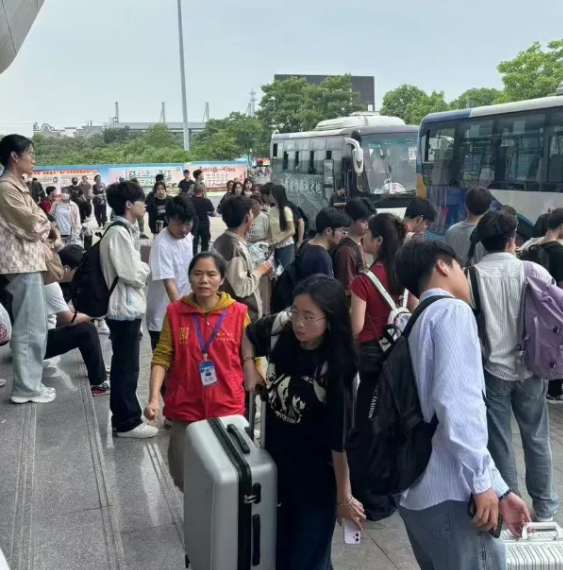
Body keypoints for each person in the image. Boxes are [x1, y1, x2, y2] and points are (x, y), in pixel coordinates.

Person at [393, 239, 531, 569]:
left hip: (419, 492)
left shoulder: (416, 319)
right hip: (453, 493)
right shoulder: (452, 312)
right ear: (443, 266)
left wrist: (500, 489)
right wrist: (482, 483)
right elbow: (457, 405)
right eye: (461, 267)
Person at [248, 275, 366, 569]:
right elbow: (249, 334)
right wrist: (250, 366)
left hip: (315, 481)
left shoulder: (337, 368)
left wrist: (344, 497)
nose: (299, 323)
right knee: (281, 553)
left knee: (307, 558)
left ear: (330, 318)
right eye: (296, 312)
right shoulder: (282, 328)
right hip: (275, 467)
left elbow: (339, 442)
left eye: (309, 317)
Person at [146, 251, 261, 491]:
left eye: (211, 274)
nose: (204, 280)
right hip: (186, 407)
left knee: (227, 476)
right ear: (189, 277)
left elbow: (252, 356)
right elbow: (162, 356)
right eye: (197, 274)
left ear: (222, 279)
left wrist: (258, 384)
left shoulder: (238, 313)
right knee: (182, 474)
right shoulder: (175, 312)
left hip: (227, 406)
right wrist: (154, 398)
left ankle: (218, 513)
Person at [472, 210, 559, 523]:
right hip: (532, 367)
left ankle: (512, 506)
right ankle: (545, 507)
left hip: (492, 369)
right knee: (536, 437)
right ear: (512, 240)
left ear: (483, 242)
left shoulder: (471, 276)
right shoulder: (534, 271)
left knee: (499, 442)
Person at [349, 213, 408, 520]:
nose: (364, 238)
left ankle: (371, 496)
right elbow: (414, 314)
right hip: (400, 361)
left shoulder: (363, 282)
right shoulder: (405, 275)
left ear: (379, 241)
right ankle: (394, 488)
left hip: (373, 361)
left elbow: (356, 327)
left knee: (368, 423)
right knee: (394, 422)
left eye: (368, 234)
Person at [0, 136, 55, 404]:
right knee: (29, 327)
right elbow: (33, 225)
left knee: (35, 325)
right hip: (21, 263)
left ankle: (31, 383)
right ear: (14, 157)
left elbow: (39, 218)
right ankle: (26, 388)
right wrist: (46, 223)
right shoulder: (6, 188)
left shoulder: (17, 186)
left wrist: (43, 221)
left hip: (28, 262)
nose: (33, 159)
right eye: (30, 154)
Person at [101, 180, 158, 438]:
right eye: (140, 201)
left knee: (126, 364)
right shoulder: (118, 233)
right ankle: (127, 422)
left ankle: (124, 418)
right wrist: (146, 267)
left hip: (127, 307)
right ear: (128, 204)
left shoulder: (125, 231)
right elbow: (132, 273)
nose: (144, 205)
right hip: (122, 309)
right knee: (126, 367)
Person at [526, 207, 563, 405]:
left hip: (536, 303)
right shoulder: (559, 250)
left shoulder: (533, 247)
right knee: (560, 346)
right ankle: (555, 391)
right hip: (556, 305)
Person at [44, 245, 110, 395]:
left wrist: (90, 311)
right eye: (79, 271)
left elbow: (65, 310)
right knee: (87, 330)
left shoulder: (47, 278)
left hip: (30, 340)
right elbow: (71, 319)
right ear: (66, 268)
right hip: (38, 346)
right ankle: (99, 383)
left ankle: (95, 361)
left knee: (84, 318)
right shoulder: (51, 285)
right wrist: (97, 313)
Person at [146, 195, 195, 350]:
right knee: (165, 361)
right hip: (163, 318)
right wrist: (181, 315)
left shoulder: (188, 237)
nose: (184, 229)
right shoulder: (162, 244)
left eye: (188, 223)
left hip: (185, 311)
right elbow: (169, 284)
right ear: (167, 219)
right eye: (178, 223)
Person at [212, 196, 273, 319]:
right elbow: (242, 289)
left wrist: (257, 271)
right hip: (240, 318)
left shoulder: (221, 240)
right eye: (251, 212)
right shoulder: (235, 249)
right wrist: (259, 271)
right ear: (247, 217)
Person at [333, 198, 376, 291]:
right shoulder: (346, 251)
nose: (368, 225)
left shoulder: (359, 242)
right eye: (364, 221)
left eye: (369, 220)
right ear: (351, 220)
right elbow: (347, 289)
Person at [296, 207, 351, 279]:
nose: (344, 235)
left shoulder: (306, 243)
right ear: (328, 231)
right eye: (342, 231)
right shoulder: (322, 258)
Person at [445, 186, 492, 265]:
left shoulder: (451, 231)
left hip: (456, 272)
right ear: (488, 208)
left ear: (465, 205)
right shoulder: (488, 234)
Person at [266, 184, 297, 269]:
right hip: (274, 246)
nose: (270, 196)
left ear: (277, 195)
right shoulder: (271, 210)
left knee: (285, 270)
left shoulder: (286, 210)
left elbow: (292, 230)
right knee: (276, 271)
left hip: (286, 246)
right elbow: (269, 228)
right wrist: (269, 241)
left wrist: (278, 240)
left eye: (271, 194)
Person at [190, 183, 215, 255]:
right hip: (204, 224)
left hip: (193, 225)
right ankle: (203, 257)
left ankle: (194, 258)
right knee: (205, 243)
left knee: (194, 244)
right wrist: (207, 213)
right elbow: (213, 214)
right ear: (203, 191)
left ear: (194, 191)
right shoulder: (207, 201)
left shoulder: (190, 201)